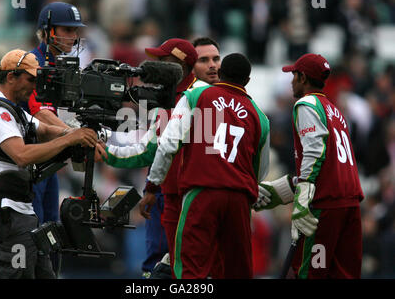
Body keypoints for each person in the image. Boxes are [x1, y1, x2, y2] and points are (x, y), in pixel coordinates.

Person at [0, 49, 98, 279]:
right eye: (30, 79)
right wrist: (70, 138)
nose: (34, 86)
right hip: (4, 215)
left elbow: (46, 130)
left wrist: (75, 133)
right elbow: (21, 155)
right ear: (11, 77)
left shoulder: (15, 111)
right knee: (16, 275)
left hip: (20, 212)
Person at [144, 53, 270, 278]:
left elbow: (168, 144)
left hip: (202, 193)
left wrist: (153, 186)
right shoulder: (260, 117)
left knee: (190, 269)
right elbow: (260, 171)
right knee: (236, 271)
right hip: (240, 200)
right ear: (247, 81)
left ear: (220, 74)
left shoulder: (196, 95)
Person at [95, 38, 208, 278]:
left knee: (164, 268)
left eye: (162, 62)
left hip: (176, 197)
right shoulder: (205, 95)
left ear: (178, 66)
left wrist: (107, 153)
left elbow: (148, 151)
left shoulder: (177, 102)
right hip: (190, 194)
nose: (154, 66)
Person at [257, 53, 364, 279]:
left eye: (294, 75)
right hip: (350, 204)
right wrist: (284, 189)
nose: (291, 81)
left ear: (303, 77)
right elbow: (330, 164)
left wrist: (303, 194)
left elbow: (315, 152)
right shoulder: (334, 110)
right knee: (343, 274)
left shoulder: (306, 104)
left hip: (325, 207)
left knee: (311, 273)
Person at [25, 1, 86, 275]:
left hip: (49, 161)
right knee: (35, 229)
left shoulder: (62, 65)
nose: (73, 36)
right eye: (67, 29)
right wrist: (74, 135)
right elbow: (41, 113)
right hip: (28, 163)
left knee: (51, 229)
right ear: (48, 31)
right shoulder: (32, 63)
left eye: (75, 30)